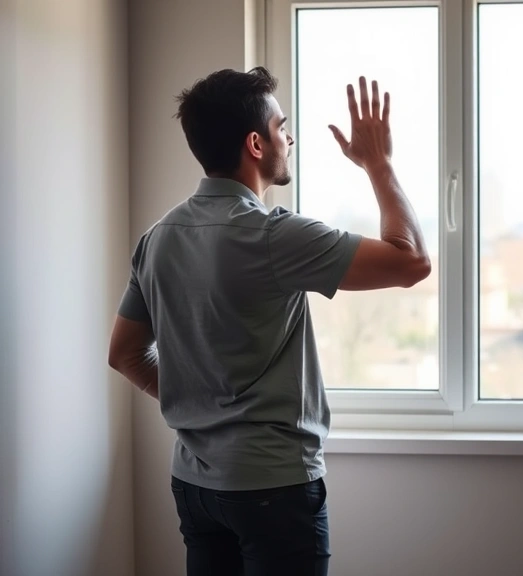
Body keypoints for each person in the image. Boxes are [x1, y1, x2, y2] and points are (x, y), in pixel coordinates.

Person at [106, 67, 430, 576]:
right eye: (282, 127)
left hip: (194, 487)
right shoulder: (271, 235)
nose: (290, 136)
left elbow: (124, 354)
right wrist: (378, 165)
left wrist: (201, 406)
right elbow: (410, 261)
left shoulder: (158, 237)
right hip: (272, 490)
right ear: (256, 144)